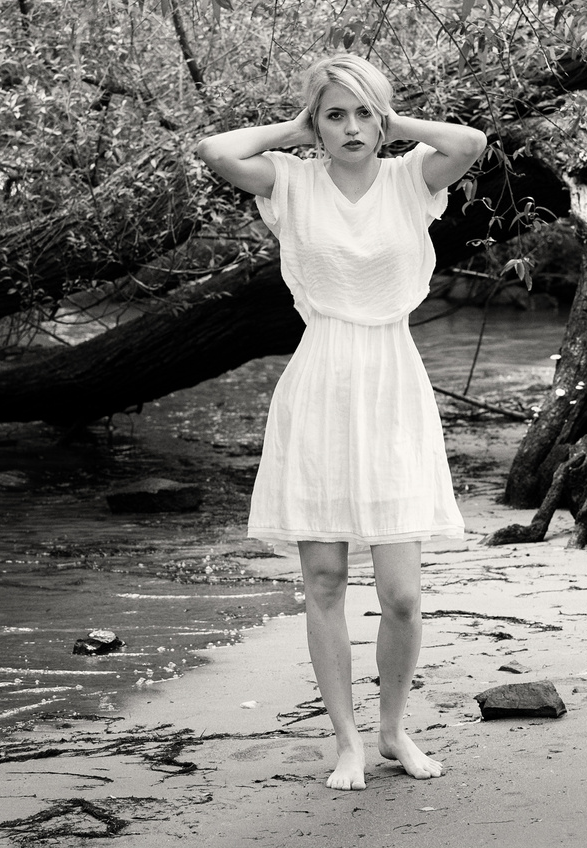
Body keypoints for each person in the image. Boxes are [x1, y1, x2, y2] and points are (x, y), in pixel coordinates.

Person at [194, 53, 487, 791]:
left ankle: (392, 729)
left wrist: (393, 124)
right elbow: (215, 151)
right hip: (320, 380)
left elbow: (470, 142)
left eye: (363, 114)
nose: (350, 128)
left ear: (382, 119)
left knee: (402, 595)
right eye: (334, 115)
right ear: (314, 124)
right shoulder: (288, 181)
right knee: (322, 577)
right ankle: (346, 740)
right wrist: (292, 128)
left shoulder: (410, 178)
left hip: (391, 383)